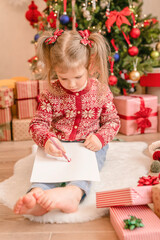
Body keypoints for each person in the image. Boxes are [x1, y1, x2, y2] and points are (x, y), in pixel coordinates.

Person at [13, 29, 120, 216]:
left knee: (84, 172)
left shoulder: (100, 91)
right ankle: (37, 194)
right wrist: (47, 140)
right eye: (63, 78)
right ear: (55, 70)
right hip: (59, 145)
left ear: (90, 65)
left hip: (90, 145)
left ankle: (73, 194)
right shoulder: (50, 94)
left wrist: (100, 138)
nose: (71, 84)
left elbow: (113, 121)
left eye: (78, 77)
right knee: (47, 170)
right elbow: (37, 124)